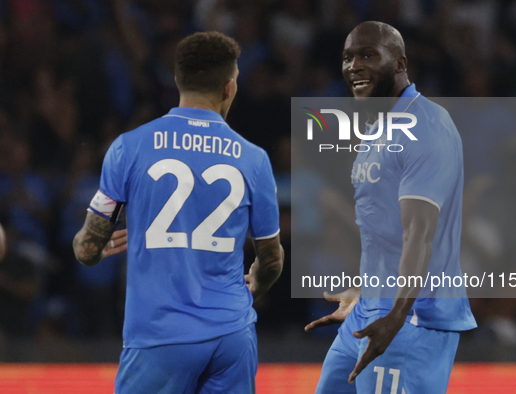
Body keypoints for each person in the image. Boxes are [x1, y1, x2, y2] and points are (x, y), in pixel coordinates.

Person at [73, 31, 283, 393]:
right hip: (232, 336)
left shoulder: (129, 147)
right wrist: (256, 282)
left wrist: (92, 245)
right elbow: (272, 258)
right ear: (230, 87)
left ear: (177, 80)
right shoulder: (254, 159)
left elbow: (87, 250)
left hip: (159, 337)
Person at [305, 21, 477, 393]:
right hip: (369, 314)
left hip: (410, 322)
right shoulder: (379, 128)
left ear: (400, 64)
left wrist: (396, 316)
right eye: (348, 57)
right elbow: (385, 231)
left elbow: (420, 233)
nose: (354, 66)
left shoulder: (427, 125)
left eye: (368, 55)